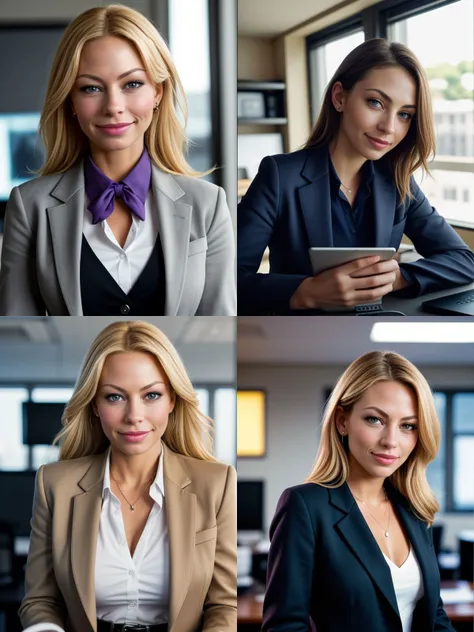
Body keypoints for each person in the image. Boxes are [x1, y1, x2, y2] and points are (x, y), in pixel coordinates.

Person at [0, 5, 236, 317]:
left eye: (132, 84)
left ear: (158, 93)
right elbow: (19, 342)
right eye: (91, 88)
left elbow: (218, 335)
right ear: (70, 100)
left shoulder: (208, 204)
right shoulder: (29, 206)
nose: (113, 106)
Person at [19, 320, 237, 632]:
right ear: (94, 403)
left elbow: (223, 604)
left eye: (151, 395)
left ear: (172, 400)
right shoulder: (55, 484)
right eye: (115, 397)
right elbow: (40, 600)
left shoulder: (216, 483)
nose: (134, 416)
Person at [237, 38, 474, 315]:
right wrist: (305, 293)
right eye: (375, 102)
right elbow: (225, 282)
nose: (388, 127)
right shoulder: (279, 176)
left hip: (378, 333)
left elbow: (463, 259)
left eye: (405, 115)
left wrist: (396, 278)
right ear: (339, 97)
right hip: (301, 338)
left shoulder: (398, 182)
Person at [262, 350, 455, 632]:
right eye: (375, 420)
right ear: (342, 421)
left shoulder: (414, 508)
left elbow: (434, 616)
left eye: (408, 426)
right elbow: (284, 627)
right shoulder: (304, 506)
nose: (391, 441)